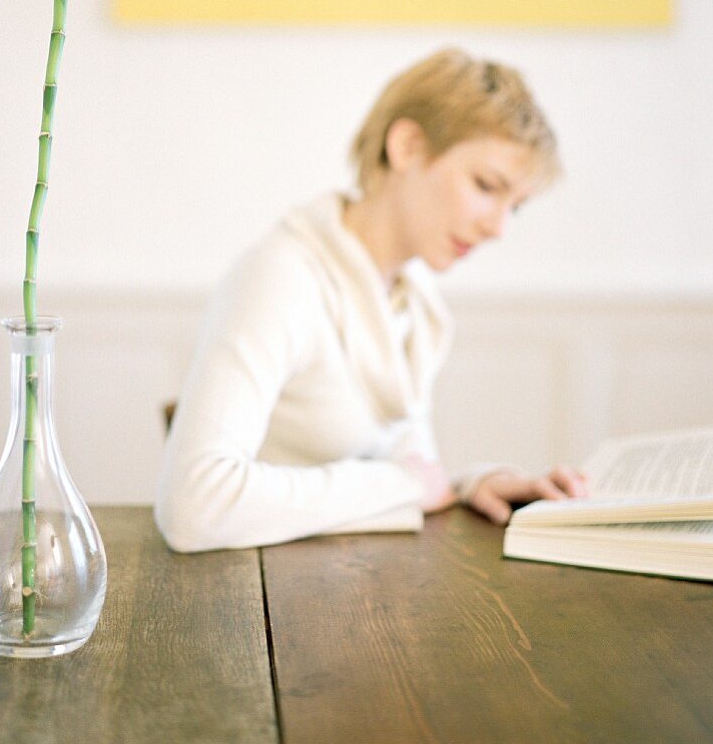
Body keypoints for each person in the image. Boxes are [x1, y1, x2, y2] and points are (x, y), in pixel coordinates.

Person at [155, 48, 587, 552]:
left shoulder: (414, 302)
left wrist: (474, 486)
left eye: (516, 206)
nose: (498, 227)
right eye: (486, 186)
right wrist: (403, 487)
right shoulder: (282, 278)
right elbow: (193, 505)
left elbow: (409, 468)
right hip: (261, 607)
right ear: (407, 146)